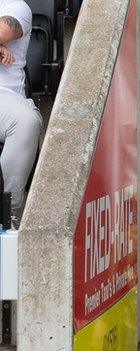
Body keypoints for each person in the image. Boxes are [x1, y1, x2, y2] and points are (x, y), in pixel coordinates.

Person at [0, 0, 42, 224]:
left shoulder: (15, 6)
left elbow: (4, 30)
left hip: (3, 97)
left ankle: (8, 211)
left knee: (26, 121)